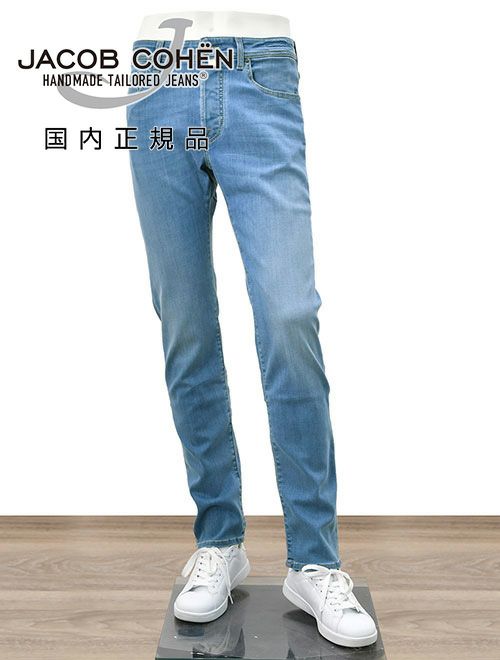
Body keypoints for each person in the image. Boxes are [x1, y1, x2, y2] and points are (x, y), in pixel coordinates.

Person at [128, 12, 377, 648]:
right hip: (159, 77)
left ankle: (314, 560)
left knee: (289, 314)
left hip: (260, 74)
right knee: (185, 322)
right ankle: (219, 541)